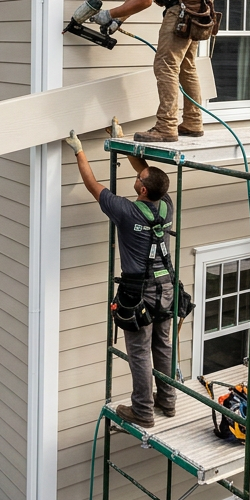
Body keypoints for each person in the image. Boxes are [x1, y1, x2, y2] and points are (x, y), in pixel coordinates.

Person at [65, 129, 177, 428]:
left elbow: (92, 185)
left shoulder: (126, 212)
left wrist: (79, 150)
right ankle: (167, 400)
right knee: (163, 345)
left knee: (139, 352)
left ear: (141, 191)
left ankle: (143, 410)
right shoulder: (166, 204)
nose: (138, 177)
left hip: (138, 292)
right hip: (166, 287)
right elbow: (146, 171)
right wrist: (125, 142)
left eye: (140, 179)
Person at [92, 0, 207, 143]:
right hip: (194, 5)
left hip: (183, 8)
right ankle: (193, 122)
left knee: (165, 65)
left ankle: (166, 126)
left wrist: (107, 14)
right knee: (186, 66)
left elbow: (144, 0)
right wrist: (118, 20)